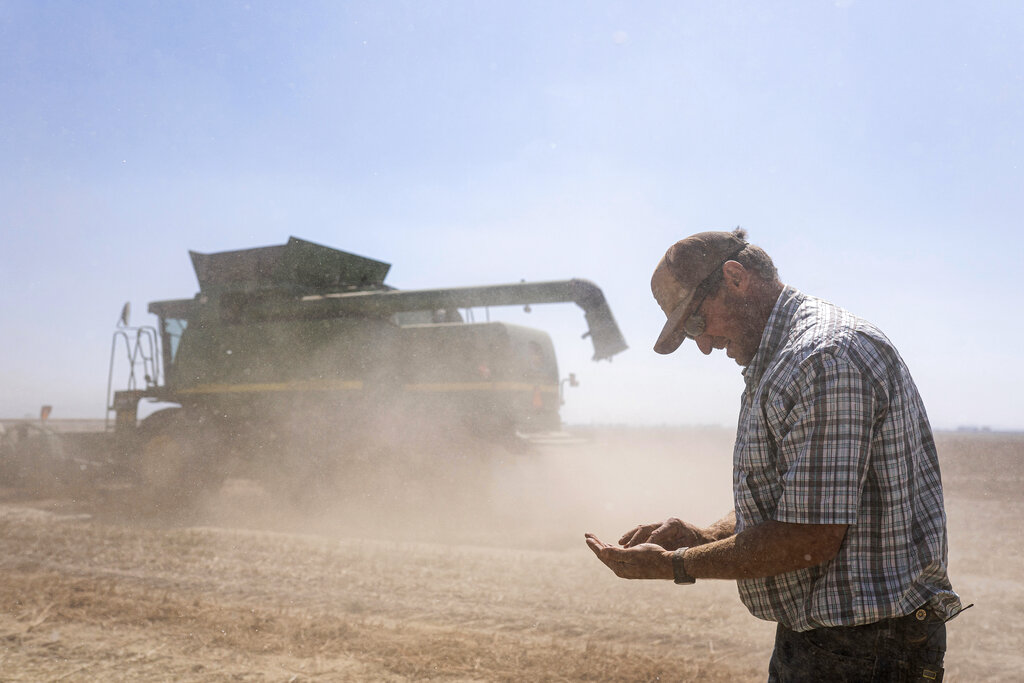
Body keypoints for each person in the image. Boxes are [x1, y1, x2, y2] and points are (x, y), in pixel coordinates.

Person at [585, 229, 964, 682]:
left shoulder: (825, 357)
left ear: (735, 277)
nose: (703, 344)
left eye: (695, 322)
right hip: (828, 642)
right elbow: (792, 501)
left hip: (870, 650)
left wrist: (677, 565)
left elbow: (810, 536)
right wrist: (701, 534)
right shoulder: (784, 359)